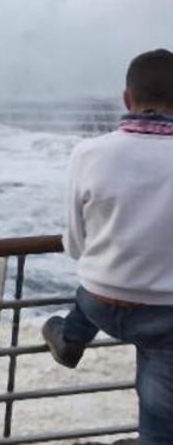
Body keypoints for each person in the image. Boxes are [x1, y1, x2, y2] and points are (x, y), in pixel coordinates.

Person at [43, 48, 173, 441]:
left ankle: (70, 338)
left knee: (100, 281)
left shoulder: (88, 153)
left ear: (127, 99)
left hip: (99, 301)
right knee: (158, 417)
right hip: (165, 315)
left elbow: (76, 243)